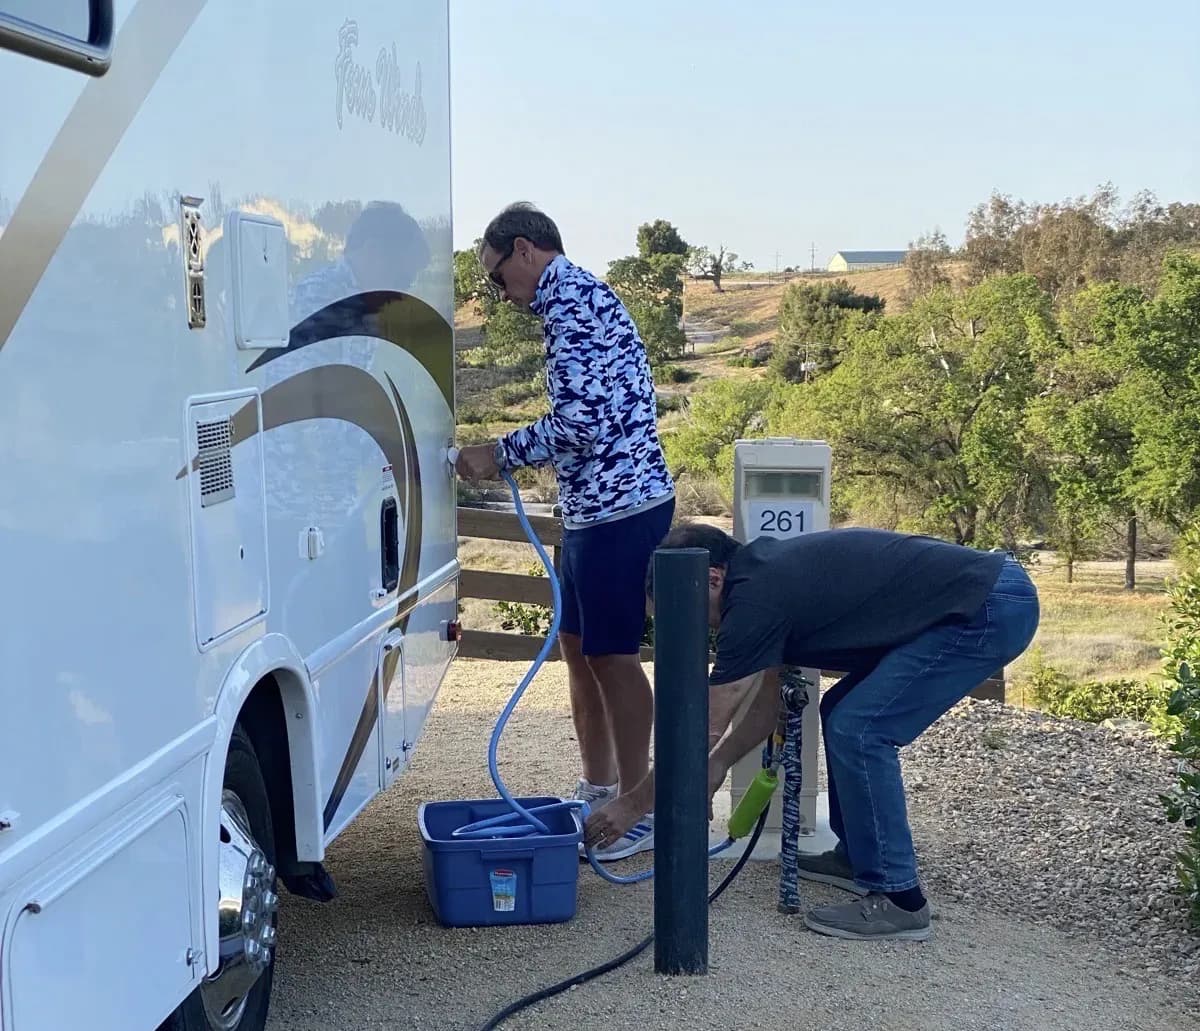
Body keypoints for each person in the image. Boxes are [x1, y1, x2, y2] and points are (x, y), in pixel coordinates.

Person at [585, 522, 1040, 940]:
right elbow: (766, 708)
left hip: (986, 606)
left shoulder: (754, 599)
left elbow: (700, 725)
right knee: (843, 710)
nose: (696, 626)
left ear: (711, 579)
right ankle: (860, 857)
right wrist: (717, 767)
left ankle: (901, 900)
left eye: (685, 611)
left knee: (860, 728)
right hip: (987, 593)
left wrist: (633, 806)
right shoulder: (761, 582)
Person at [454, 202, 675, 861]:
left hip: (621, 509)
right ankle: (599, 790)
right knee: (578, 649)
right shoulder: (566, 303)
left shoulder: (574, 300)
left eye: (497, 276)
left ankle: (638, 808)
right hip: (593, 510)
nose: (499, 294)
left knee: (611, 655)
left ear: (525, 250)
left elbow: (581, 423)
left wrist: (500, 452)